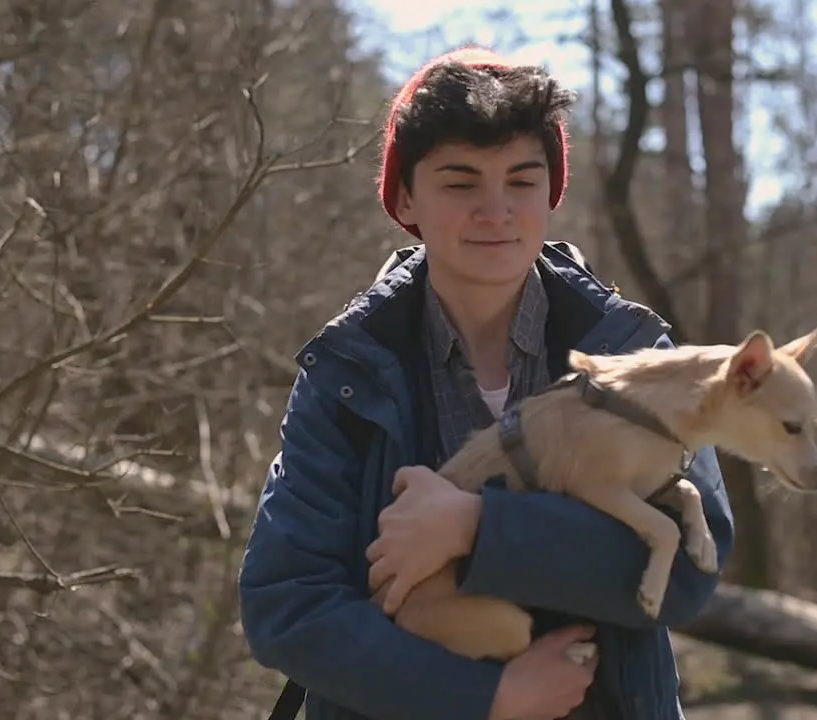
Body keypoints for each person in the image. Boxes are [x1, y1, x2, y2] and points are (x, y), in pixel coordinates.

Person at [237, 46, 735, 720]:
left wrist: (477, 526)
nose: (496, 210)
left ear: (551, 193)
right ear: (406, 197)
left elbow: (688, 569)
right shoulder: (348, 371)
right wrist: (489, 697)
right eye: (461, 182)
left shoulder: (633, 350)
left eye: (522, 181)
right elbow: (287, 603)